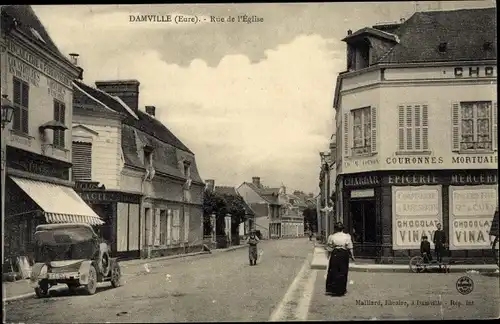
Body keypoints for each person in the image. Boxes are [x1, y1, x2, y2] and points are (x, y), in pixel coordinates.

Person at [325, 222, 354, 296]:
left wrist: (328, 256)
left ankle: (333, 289)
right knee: (343, 271)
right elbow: (350, 247)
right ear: (342, 229)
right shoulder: (347, 236)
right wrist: (352, 256)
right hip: (344, 253)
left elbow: (329, 248)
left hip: (335, 253)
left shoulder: (331, 236)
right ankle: (341, 289)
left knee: (333, 270)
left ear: (335, 229)